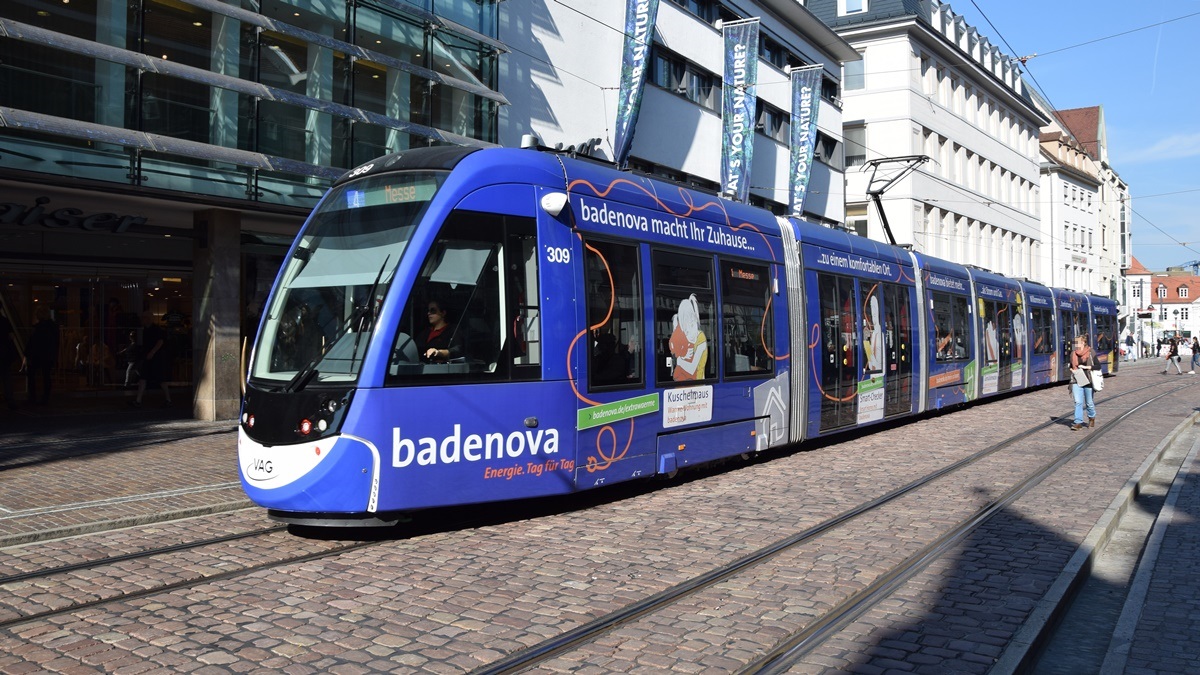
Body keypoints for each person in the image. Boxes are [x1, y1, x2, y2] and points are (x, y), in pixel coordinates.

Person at [131, 312, 172, 407]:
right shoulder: (146, 329)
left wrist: (152, 352)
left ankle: (168, 399)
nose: (141, 320)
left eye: (143, 318)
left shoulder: (156, 329)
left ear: (148, 319)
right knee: (143, 378)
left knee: (160, 379)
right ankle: (138, 400)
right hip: (149, 357)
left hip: (156, 358)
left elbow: (160, 341)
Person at [26, 306, 59, 406]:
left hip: (38, 355)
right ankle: (45, 397)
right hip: (48, 355)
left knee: (31, 374)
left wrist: (27, 353)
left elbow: (33, 343)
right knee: (46, 376)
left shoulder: (38, 328)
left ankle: (33, 397)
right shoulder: (53, 327)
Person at [1069, 334, 1096, 431]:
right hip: (1077, 379)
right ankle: (1078, 422)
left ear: (1083, 342)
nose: (1075, 344)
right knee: (1078, 402)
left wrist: (1086, 367)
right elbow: (1070, 365)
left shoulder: (1090, 352)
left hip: (1088, 380)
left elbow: (1097, 366)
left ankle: (1091, 417)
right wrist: (1072, 370)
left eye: (1078, 342)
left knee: (1089, 402)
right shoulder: (1073, 353)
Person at [0, 311, 20, 411]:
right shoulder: (5, 321)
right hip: (4, 353)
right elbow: (11, 336)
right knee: (6, 376)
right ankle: (10, 399)